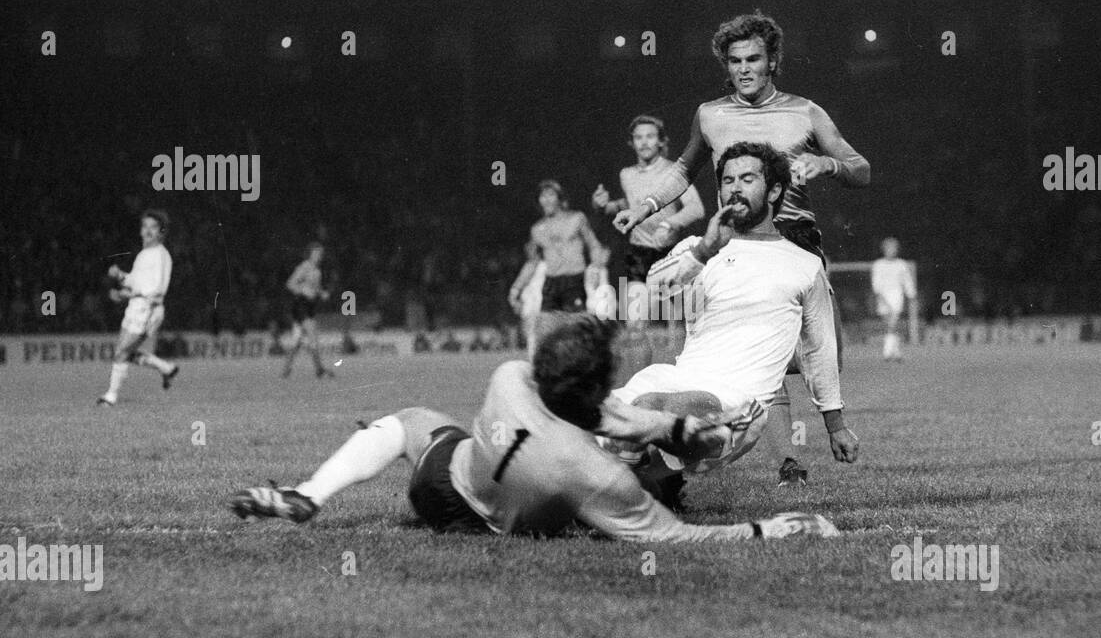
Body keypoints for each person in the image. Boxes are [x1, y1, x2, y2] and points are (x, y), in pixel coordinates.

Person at [231, 313, 838, 542]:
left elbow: (616, 415)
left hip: (442, 481)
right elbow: (676, 538)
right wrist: (768, 527)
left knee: (411, 422)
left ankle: (308, 495)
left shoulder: (509, 377)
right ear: (596, 390)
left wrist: (681, 430)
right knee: (647, 474)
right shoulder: (592, 472)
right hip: (497, 514)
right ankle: (698, 454)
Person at [612, 11, 871, 484]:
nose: (745, 69)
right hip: (730, 242)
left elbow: (861, 168)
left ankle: (809, 435)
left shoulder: (805, 111)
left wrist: (826, 165)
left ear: (773, 60)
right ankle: (784, 462)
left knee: (820, 351)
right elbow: (684, 170)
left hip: (793, 239)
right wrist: (646, 206)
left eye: (754, 58)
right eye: (735, 61)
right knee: (745, 357)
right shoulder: (710, 115)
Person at [604, 141, 858, 496]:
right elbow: (657, 287)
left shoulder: (805, 265)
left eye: (747, 178)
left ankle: (614, 494)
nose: (734, 187)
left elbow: (819, 350)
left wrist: (836, 425)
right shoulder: (700, 246)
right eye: (727, 180)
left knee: (652, 411)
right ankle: (642, 489)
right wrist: (705, 251)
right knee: (593, 413)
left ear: (774, 190)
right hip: (675, 378)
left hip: (738, 405)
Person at [591, 115, 705, 374]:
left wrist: (670, 224)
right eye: (638, 137)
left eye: (650, 136)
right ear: (631, 142)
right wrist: (605, 206)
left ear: (661, 141)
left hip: (670, 258)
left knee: (678, 332)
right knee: (634, 329)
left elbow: (696, 208)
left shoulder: (674, 172)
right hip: (638, 256)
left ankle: (680, 388)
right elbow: (631, 205)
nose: (644, 142)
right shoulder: (626, 175)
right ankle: (637, 390)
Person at [97, 210, 179, 406]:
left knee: (122, 352)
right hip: (135, 307)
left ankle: (110, 397)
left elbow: (156, 289)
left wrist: (126, 294)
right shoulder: (144, 254)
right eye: (145, 226)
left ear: (161, 232)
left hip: (147, 310)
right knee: (124, 351)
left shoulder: (160, 255)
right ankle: (166, 368)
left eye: (153, 227)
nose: (148, 231)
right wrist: (120, 276)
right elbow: (136, 281)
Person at [509, 180, 604, 317]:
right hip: (551, 284)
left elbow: (594, 245)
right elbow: (532, 262)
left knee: (574, 327)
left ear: (559, 198)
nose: (546, 200)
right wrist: (516, 288)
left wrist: (595, 268)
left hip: (574, 281)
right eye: (542, 196)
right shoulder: (537, 229)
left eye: (551, 195)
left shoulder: (576, 219)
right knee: (547, 330)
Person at [282, 242, 332, 379]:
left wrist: (322, 293)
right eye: (316, 253)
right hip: (301, 306)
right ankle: (319, 370)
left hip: (309, 307)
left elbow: (315, 288)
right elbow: (290, 283)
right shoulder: (304, 267)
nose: (319, 256)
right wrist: (303, 291)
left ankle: (286, 371)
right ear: (310, 254)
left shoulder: (317, 270)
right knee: (312, 333)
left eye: (320, 254)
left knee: (297, 340)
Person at [871, 237, 916, 361]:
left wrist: (911, 294)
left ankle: (887, 351)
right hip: (882, 296)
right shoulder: (878, 264)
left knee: (893, 323)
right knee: (890, 325)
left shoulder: (901, 264)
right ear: (884, 250)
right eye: (889, 248)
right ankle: (896, 352)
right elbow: (876, 283)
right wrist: (880, 296)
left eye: (894, 248)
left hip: (896, 295)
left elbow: (907, 281)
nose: (891, 251)